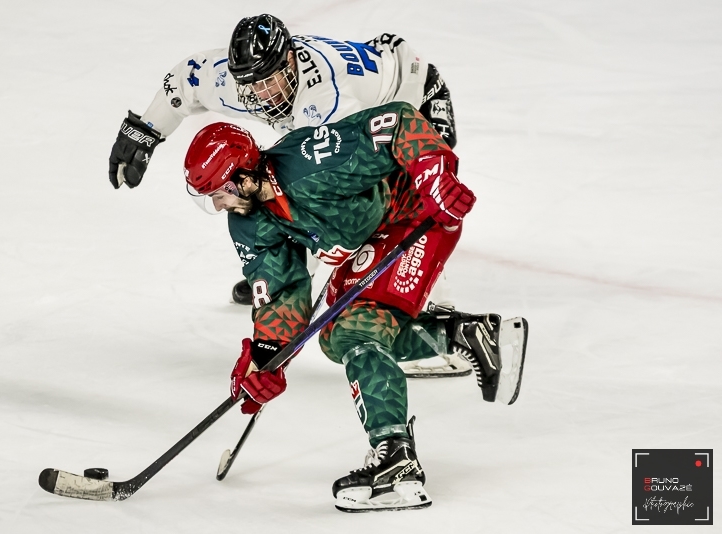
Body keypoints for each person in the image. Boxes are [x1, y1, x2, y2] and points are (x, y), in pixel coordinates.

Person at [183, 102, 526, 512]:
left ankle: (396, 459)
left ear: (245, 175)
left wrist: (434, 176)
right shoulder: (248, 220)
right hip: (374, 238)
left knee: (355, 331)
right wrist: (267, 356)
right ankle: (468, 336)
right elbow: (281, 289)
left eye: (221, 192)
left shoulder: (310, 161)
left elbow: (395, 122)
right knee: (335, 337)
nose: (219, 204)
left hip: (419, 212)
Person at [107, 13, 458, 306]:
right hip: (365, 81)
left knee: (408, 206)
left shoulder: (327, 101)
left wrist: (302, 269)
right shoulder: (240, 80)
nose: (259, 95)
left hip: (414, 93)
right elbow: (187, 78)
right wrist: (144, 130)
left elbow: (331, 192)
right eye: (250, 85)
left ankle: (433, 305)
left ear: (290, 62)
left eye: (267, 82)